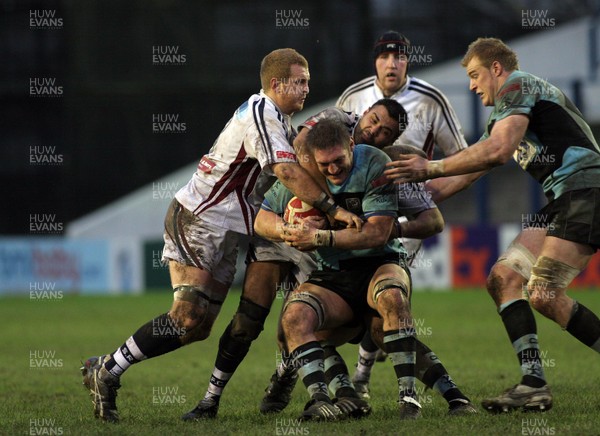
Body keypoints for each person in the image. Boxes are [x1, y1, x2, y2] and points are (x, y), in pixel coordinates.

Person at [80, 48, 362, 423]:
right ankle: (108, 371)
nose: (307, 88)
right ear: (276, 84)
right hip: (199, 219)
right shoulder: (262, 112)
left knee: (196, 329)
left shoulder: (276, 119)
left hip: (228, 231)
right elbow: (284, 169)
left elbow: (296, 155)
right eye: (301, 81)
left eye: (308, 81)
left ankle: (106, 366)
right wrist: (334, 210)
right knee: (185, 316)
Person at [181, 99, 435, 420]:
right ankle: (211, 400)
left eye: (385, 132)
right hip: (281, 229)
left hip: (332, 254)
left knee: (308, 321)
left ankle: (340, 389)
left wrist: (331, 230)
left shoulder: (375, 164)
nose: (376, 131)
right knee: (249, 318)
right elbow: (299, 150)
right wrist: (307, 220)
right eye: (374, 121)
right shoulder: (333, 125)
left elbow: (422, 220)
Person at [385, 37, 600, 413]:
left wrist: (429, 166)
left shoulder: (518, 86)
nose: (472, 84)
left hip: (587, 191)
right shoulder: (505, 112)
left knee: (544, 293)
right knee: (503, 278)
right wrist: (405, 202)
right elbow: (469, 170)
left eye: (474, 75)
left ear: (496, 69)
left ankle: (534, 384)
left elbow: (499, 151)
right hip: (564, 198)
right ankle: (533, 384)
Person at [256, 118, 425, 420]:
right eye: (324, 164)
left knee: (391, 301)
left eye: (338, 161)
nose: (332, 169)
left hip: (380, 261)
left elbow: (376, 234)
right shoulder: (304, 173)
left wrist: (319, 236)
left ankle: (409, 400)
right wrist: (289, 230)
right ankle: (321, 400)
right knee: (292, 319)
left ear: (351, 145)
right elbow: (261, 219)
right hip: (333, 272)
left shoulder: (375, 162)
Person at [338, 30, 476, 398]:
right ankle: (353, 372)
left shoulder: (431, 100)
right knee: (363, 294)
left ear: (408, 62)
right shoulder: (353, 96)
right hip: (352, 210)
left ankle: (362, 378)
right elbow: (333, 145)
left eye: (400, 57)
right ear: (375, 61)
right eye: (385, 56)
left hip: (401, 215)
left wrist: (428, 197)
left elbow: (463, 160)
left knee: (383, 288)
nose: (392, 63)